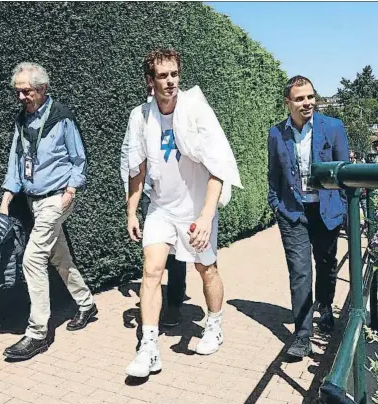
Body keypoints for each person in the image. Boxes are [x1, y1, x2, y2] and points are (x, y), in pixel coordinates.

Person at [124, 49, 242, 377]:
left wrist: (205, 216)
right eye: (163, 76)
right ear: (150, 81)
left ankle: (214, 326)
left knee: (207, 270)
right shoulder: (141, 116)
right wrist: (132, 212)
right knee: (151, 271)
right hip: (161, 208)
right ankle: (149, 348)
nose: (171, 81)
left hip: (195, 209)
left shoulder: (196, 112)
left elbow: (219, 168)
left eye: (174, 74)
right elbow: (138, 168)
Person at [0, 62, 97, 361]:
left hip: (57, 200)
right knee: (58, 256)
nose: (21, 97)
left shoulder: (61, 117)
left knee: (32, 259)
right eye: (17, 92)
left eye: (26, 92)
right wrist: (5, 201)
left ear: (42, 89)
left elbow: (78, 158)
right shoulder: (21, 120)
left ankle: (37, 333)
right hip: (33, 201)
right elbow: (16, 160)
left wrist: (70, 191)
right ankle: (86, 303)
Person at [267, 75, 350, 358]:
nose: (307, 103)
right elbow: (273, 175)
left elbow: (345, 174)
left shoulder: (334, 128)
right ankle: (302, 336)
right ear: (287, 103)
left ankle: (325, 307)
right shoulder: (276, 133)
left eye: (310, 97)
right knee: (300, 273)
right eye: (300, 98)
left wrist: (340, 206)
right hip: (293, 213)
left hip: (326, 211)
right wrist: (276, 205)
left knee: (326, 265)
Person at [120, 84, 187, 328]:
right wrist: (131, 203)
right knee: (153, 258)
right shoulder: (140, 117)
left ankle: (175, 304)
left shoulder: (183, 112)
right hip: (149, 193)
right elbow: (129, 157)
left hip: (178, 195)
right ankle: (151, 311)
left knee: (178, 256)